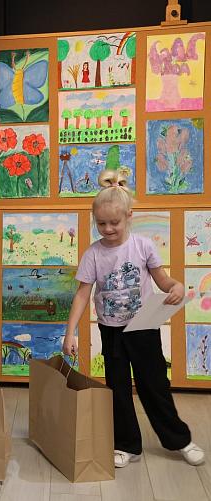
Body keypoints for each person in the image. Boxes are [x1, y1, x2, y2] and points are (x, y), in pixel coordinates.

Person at [62, 170, 205, 469]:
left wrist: (176, 286)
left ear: (129, 216)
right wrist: (70, 332)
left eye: (114, 222)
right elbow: (82, 295)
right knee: (117, 389)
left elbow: (163, 280)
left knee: (155, 385)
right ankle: (127, 444)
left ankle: (179, 440)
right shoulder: (93, 254)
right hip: (111, 330)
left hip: (143, 327)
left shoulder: (143, 246)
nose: (108, 229)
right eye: (101, 223)